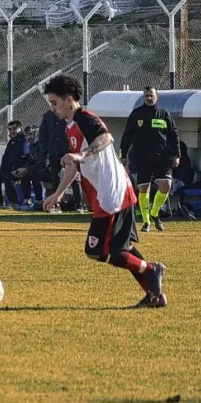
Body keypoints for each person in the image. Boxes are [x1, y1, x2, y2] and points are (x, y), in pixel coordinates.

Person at [42, 74, 167, 308]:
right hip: (110, 194)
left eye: (54, 103)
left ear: (69, 100)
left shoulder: (85, 118)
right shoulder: (70, 126)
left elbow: (106, 138)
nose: (53, 108)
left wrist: (83, 153)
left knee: (97, 250)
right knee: (123, 250)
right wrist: (58, 194)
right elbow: (74, 166)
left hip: (112, 195)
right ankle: (155, 295)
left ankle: (151, 269)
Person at [119, 87, 180, 232]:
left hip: (162, 157)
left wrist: (177, 154)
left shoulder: (164, 114)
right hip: (141, 158)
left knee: (166, 185)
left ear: (157, 97)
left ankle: (154, 212)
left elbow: (174, 135)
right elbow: (126, 136)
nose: (149, 98)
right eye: (146, 95)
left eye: (151, 95)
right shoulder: (136, 114)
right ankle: (146, 222)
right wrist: (123, 156)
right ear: (143, 98)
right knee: (143, 188)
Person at [37, 107, 83, 211]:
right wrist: (46, 151)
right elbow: (43, 136)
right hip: (54, 152)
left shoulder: (66, 113)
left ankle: (79, 204)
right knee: (55, 178)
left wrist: (72, 149)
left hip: (68, 151)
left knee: (74, 178)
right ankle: (57, 204)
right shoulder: (47, 116)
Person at [0, 120, 29, 209]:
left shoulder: (24, 140)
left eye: (14, 128)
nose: (12, 131)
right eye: (10, 129)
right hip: (10, 169)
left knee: (7, 177)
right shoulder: (11, 142)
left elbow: (22, 156)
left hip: (22, 169)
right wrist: (3, 169)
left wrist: (14, 169)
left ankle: (14, 203)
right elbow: (5, 157)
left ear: (20, 128)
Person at [11, 125, 45, 209]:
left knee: (34, 173)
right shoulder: (31, 146)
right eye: (27, 135)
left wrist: (27, 169)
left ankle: (39, 201)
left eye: (30, 134)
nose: (28, 137)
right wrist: (22, 169)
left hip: (47, 169)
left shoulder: (42, 144)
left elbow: (42, 163)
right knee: (23, 174)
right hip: (36, 168)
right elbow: (30, 161)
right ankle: (27, 201)